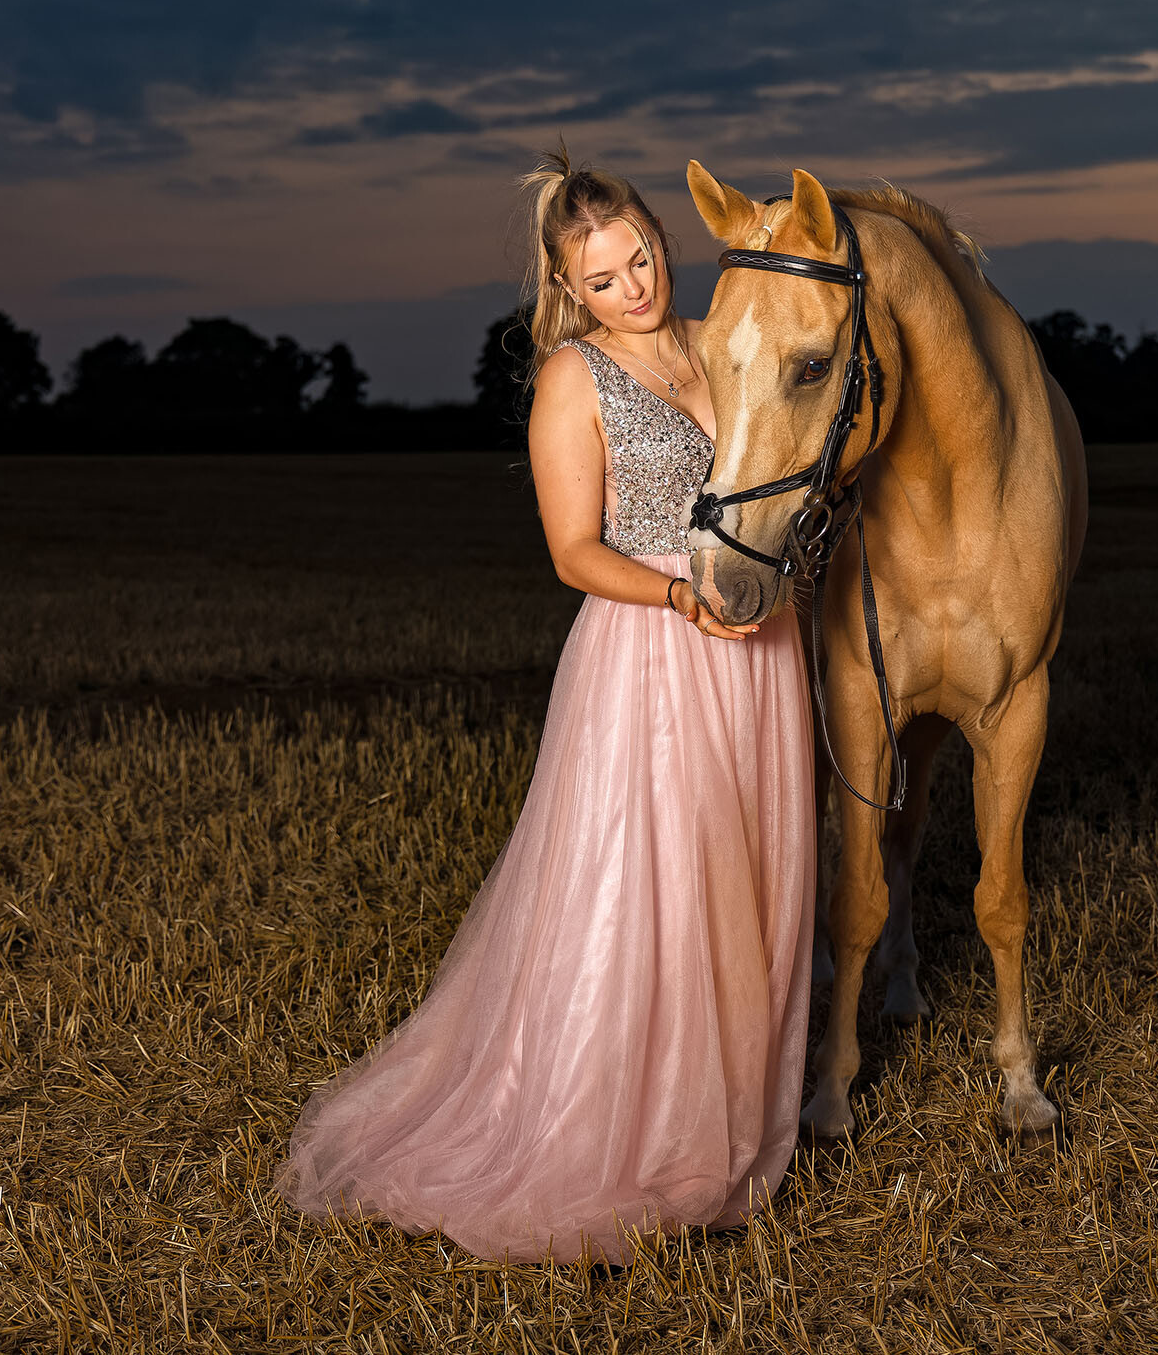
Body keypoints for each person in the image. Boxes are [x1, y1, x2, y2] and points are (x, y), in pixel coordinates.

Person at [271, 146, 817, 1266]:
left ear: (663, 241)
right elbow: (571, 552)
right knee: (653, 891)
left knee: (751, 884)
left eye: (642, 260)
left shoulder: (720, 344)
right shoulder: (574, 380)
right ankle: (627, 1137)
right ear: (569, 290)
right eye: (604, 279)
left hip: (757, 650)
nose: (634, 289)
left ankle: (728, 1133)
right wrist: (681, 594)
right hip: (653, 654)